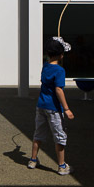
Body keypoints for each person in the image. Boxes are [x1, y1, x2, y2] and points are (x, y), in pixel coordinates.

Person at [28, 37, 74, 176]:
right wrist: (66, 109)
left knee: (38, 133)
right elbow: (58, 90)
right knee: (60, 136)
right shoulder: (60, 70)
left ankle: (33, 160)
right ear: (61, 54)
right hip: (54, 108)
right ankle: (62, 166)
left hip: (41, 105)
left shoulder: (45, 65)